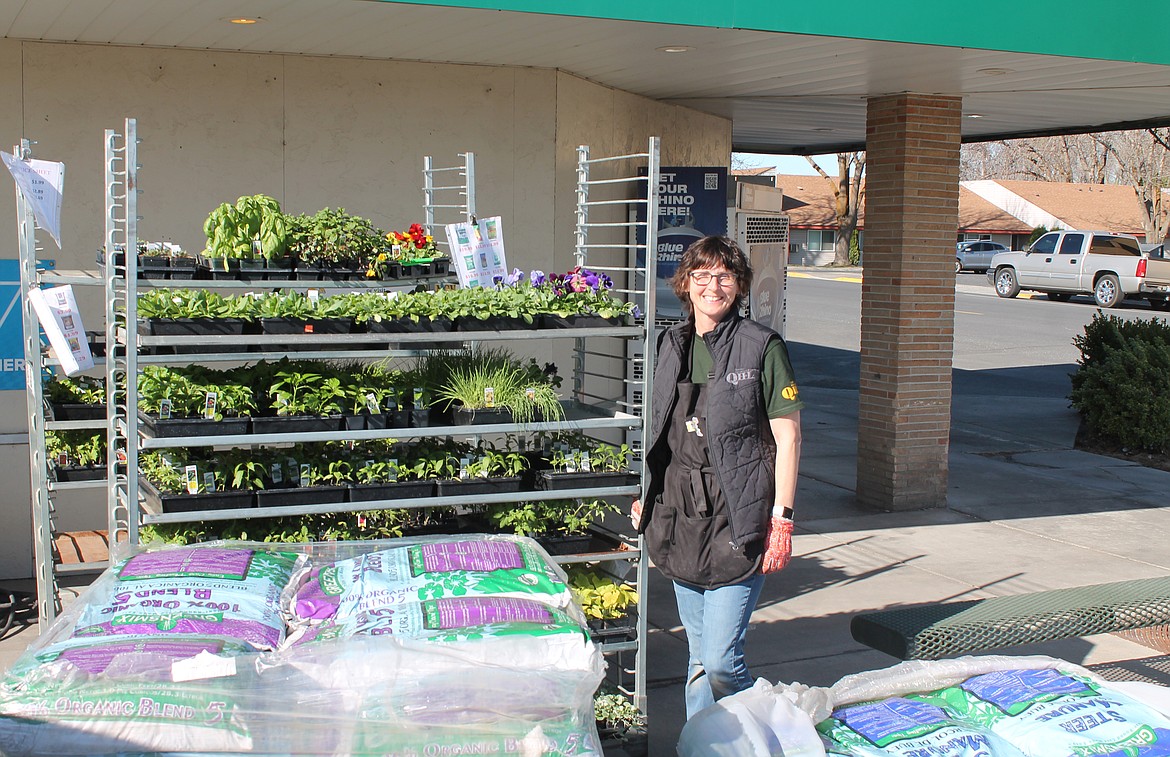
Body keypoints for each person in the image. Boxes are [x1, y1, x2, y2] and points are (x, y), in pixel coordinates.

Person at [631, 234, 803, 720]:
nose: (713, 285)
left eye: (724, 275)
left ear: (740, 285)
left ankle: (773, 727)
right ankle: (702, 747)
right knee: (700, 661)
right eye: (702, 275)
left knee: (724, 662)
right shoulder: (672, 342)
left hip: (737, 518)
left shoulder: (761, 348)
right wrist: (650, 494)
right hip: (682, 517)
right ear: (685, 284)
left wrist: (782, 519)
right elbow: (660, 429)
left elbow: (788, 439)